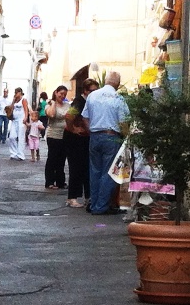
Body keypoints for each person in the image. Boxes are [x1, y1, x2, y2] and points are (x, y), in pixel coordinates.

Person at [82, 71, 130, 215]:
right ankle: (100, 206)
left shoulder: (92, 95)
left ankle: (94, 203)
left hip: (95, 136)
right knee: (109, 173)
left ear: (105, 81)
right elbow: (123, 122)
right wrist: (126, 138)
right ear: (118, 84)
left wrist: (91, 130)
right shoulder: (118, 98)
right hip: (111, 136)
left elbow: (84, 117)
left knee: (94, 171)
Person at [64, 78, 99, 208]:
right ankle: (72, 197)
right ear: (85, 90)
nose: (94, 93)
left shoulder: (90, 101)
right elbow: (69, 116)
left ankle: (88, 196)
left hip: (84, 137)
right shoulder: (79, 102)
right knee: (76, 167)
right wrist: (73, 129)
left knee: (86, 167)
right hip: (75, 138)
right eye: (91, 91)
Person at [43, 85, 69, 189]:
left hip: (65, 135)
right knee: (52, 158)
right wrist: (54, 103)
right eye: (61, 94)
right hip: (53, 135)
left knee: (61, 159)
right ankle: (49, 181)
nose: (62, 96)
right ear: (56, 93)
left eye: (64, 94)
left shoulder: (67, 105)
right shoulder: (49, 105)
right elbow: (52, 115)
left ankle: (60, 181)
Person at [7, 87, 29, 161]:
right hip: (14, 120)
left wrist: (26, 117)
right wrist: (13, 100)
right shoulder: (15, 100)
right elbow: (11, 108)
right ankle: (13, 153)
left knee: (21, 137)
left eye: (16, 92)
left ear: (20, 93)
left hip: (21, 120)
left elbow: (26, 109)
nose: (15, 94)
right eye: (15, 92)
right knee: (12, 137)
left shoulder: (23, 100)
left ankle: (20, 154)